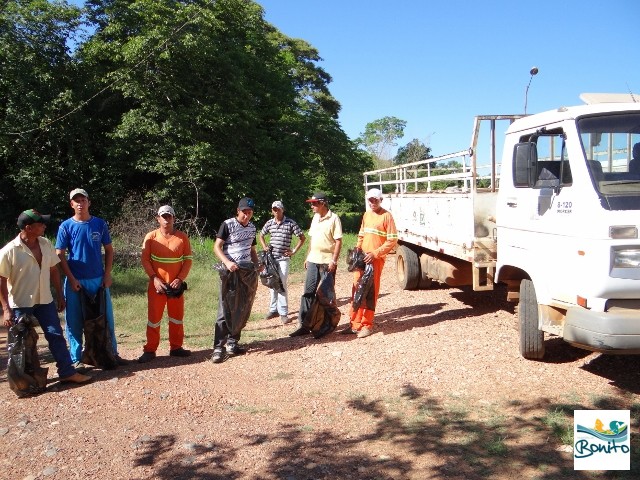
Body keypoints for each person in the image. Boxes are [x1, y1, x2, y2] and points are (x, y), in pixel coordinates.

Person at [0, 209, 91, 384]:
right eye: (40, 223)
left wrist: (60, 295)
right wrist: (6, 309)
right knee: (23, 344)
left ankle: (67, 372)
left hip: (45, 300)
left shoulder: (45, 244)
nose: (44, 226)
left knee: (55, 335)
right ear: (28, 227)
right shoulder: (9, 251)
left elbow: (53, 270)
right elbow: (1, 280)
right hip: (21, 303)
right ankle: (25, 381)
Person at [55, 188, 128, 368]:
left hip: (98, 279)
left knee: (106, 318)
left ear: (89, 202)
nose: (80, 203)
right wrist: (71, 278)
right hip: (75, 280)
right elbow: (59, 254)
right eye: (76, 200)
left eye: (83, 200)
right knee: (74, 321)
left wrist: (107, 274)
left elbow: (109, 250)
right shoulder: (66, 226)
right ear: (71, 204)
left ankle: (112, 353)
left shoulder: (99, 224)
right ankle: (76, 358)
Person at [138, 205, 193, 363]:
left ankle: (176, 347)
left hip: (175, 286)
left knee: (176, 318)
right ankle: (150, 349)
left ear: (174, 218)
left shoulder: (182, 237)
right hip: (157, 286)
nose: (166, 219)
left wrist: (180, 279)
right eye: (163, 216)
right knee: (154, 319)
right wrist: (154, 278)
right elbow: (145, 259)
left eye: (169, 216)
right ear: (158, 218)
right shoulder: (151, 237)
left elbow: (187, 260)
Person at [340, 188, 398, 338]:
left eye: (375, 200)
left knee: (370, 292)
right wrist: (357, 251)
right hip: (362, 259)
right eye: (370, 200)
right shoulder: (366, 215)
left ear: (381, 200)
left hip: (375, 260)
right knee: (357, 289)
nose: (372, 202)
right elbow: (361, 234)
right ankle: (354, 324)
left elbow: (392, 240)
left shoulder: (387, 216)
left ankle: (367, 325)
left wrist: (375, 253)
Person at [211, 197, 261, 364]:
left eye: (250, 212)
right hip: (230, 272)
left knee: (242, 306)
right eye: (244, 212)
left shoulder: (253, 227)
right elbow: (217, 246)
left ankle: (233, 343)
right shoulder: (227, 224)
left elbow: (252, 249)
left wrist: (257, 264)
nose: (247, 216)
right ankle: (218, 347)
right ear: (238, 211)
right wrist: (227, 262)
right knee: (225, 308)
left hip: (246, 272)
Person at [289, 191, 343, 337]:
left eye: (314, 204)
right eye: (311, 204)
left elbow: (338, 241)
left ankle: (327, 324)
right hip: (313, 259)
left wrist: (334, 260)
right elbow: (312, 239)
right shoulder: (315, 218)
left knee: (326, 294)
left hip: (327, 262)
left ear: (322, 203)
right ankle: (304, 325)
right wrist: (307, 257)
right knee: (308, 292)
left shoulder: (334, 219)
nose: (312, 206)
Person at [258, 200, 306, 324]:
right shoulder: (270, 223)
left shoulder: (290, 223)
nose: (276, 211)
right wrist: (264, 246)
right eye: (274, 209)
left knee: (282, 284)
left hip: (283, 259)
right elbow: (261, 235)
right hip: (271, 259)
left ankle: (283, 313)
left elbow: (302, 237)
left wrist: (294, 251)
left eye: (278, 209)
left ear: (282, 210)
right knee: (271, 283)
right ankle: (273, 309)